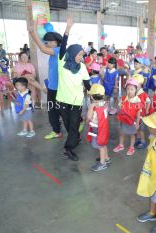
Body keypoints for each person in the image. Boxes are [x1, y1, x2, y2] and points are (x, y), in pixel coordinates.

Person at [56, 20, 91, 161]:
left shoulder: (82, 67)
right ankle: (74, 138)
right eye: (79, 55)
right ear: (72, 53)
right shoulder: (62, 61)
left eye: (82, 55)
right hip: (62, 100)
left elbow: (87, 83)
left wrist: (95, 94)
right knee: (69, 125)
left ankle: (68, 149)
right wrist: (68, 28)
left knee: (74, 125)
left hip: (76, 101)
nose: (81, 57)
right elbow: (63, 44)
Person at [28, 20, 66, 140]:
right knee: (52, 110)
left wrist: (33, 32)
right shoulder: (53, 52)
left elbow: (42, 48)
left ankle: (78, 122)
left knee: (63, 111)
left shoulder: (58, 50)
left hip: (61, 88)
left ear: (57, 42)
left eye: (49, 41)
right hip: (52, 88)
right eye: (46, 41)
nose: (47, 43)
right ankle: (56, 131)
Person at [113, 78, 142, 156]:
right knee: (122, 133)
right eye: (128, 89)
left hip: (133, 121)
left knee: (132, 135)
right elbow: (120, 108)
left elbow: (139, 113)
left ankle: (131, 147)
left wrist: (137, 123)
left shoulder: (137, 100)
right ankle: (121, 145)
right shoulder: (123, 98)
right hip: (123, 120)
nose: (129, 91)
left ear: (136, 90)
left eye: (132, 89)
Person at [86, 84, 110, 172]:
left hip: (97, 129)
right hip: (104, 128)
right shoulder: (105, 104)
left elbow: (89, 117)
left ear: (92, 97)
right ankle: (106, 158)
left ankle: (102, 163)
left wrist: (91, 107)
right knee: (103, 144)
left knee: (100, 146)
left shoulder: (94, 106)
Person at [132, 74, 150, 149]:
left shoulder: (143, 94)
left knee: (141, 129)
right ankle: (138, 139)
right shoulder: (134, 92)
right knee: (136, 128)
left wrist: (147, 110)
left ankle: (143, 141)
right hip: (135, 114)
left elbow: (148, 102)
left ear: (139, 84)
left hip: (141, 115)